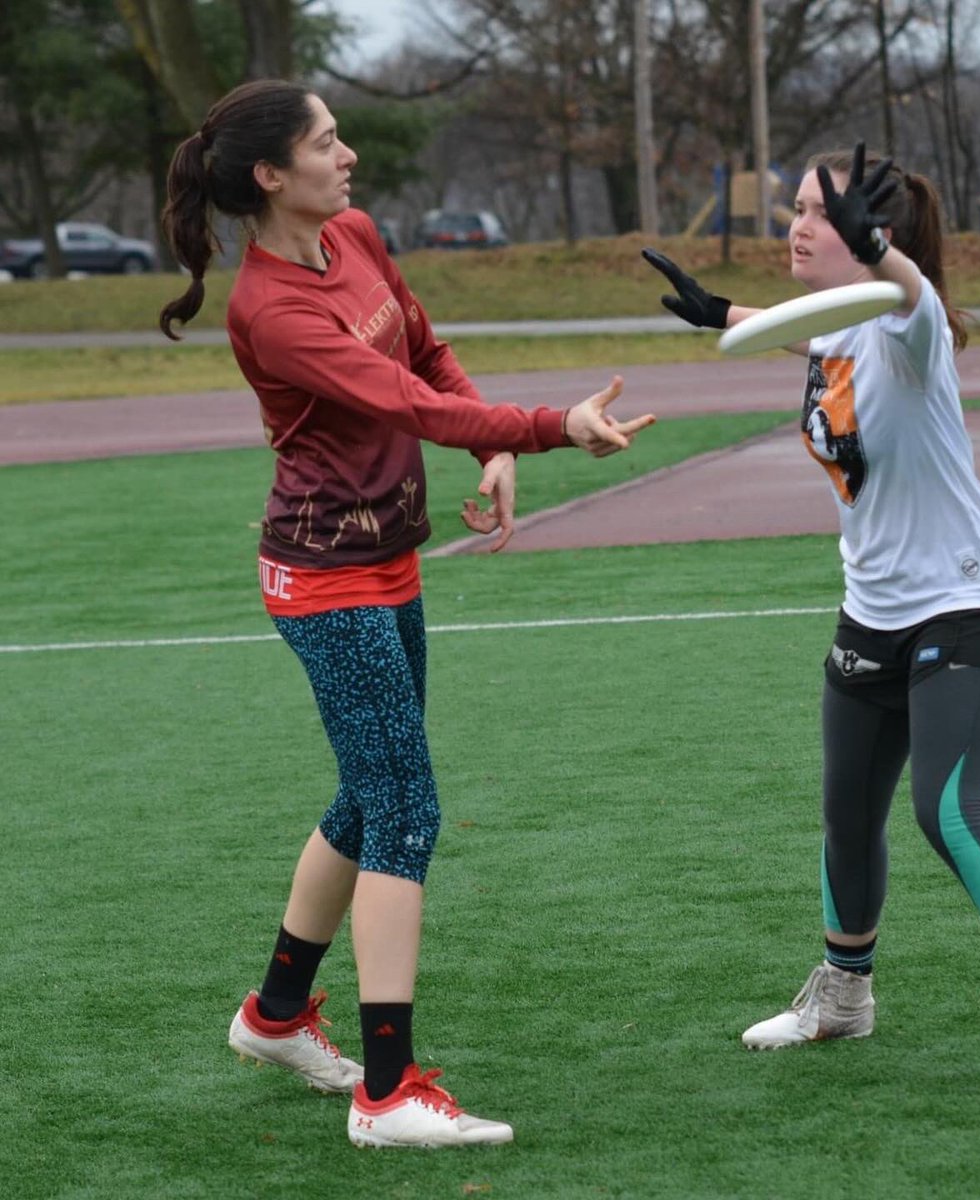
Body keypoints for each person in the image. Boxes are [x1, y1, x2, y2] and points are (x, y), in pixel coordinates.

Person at [159, 78, 655, 1149]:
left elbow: (423, 353)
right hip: (322, 579)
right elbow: (405, 405)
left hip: (390, 561)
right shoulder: (270, 310)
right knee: (406, 809)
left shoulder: (359, 234)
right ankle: (387, 1095)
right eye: (327, 144)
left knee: (372, 788)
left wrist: (491, 445)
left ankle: (277, 1015)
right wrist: (547, 427)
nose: (349, 158)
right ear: (269, 175)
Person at [643, 142, 980, 1097]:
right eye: (798, 209)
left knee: (949, 810)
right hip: (874, 612)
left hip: (970, 603)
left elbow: (902, 303)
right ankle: (844, 995)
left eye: (821, 213)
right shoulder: (838, 329)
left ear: (872, 234)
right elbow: (810, 332)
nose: (798, 225)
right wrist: (720, 315)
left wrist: (888, 261)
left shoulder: (911, 321)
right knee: (847, 809)